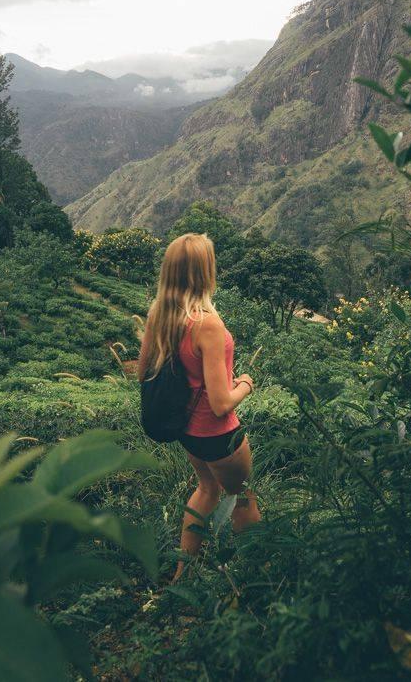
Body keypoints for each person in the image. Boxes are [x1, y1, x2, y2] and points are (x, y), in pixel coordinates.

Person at [137, 231, 261, 580]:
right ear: (205, 272)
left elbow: (144, 370)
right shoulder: (207, 324)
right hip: (218, 434)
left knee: (207, 489)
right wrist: (246, 384)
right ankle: (255, 575)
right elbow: (222, 403)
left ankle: (182, 574)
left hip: (187, 430)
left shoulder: (161, 315)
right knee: (243, 496)